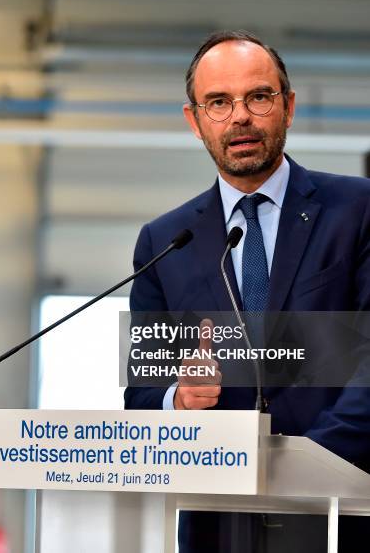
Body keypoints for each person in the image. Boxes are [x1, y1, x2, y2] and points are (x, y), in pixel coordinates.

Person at [124, 30, 370, 552]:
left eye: (259, 96)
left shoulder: (358, 210)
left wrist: (307, 466)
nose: (240, 117)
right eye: (218, 102)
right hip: (217, 524)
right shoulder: (165, 242)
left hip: (343, 510)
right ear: (195, 121)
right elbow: (142, 396)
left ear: (289, 107)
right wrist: (179, 400)